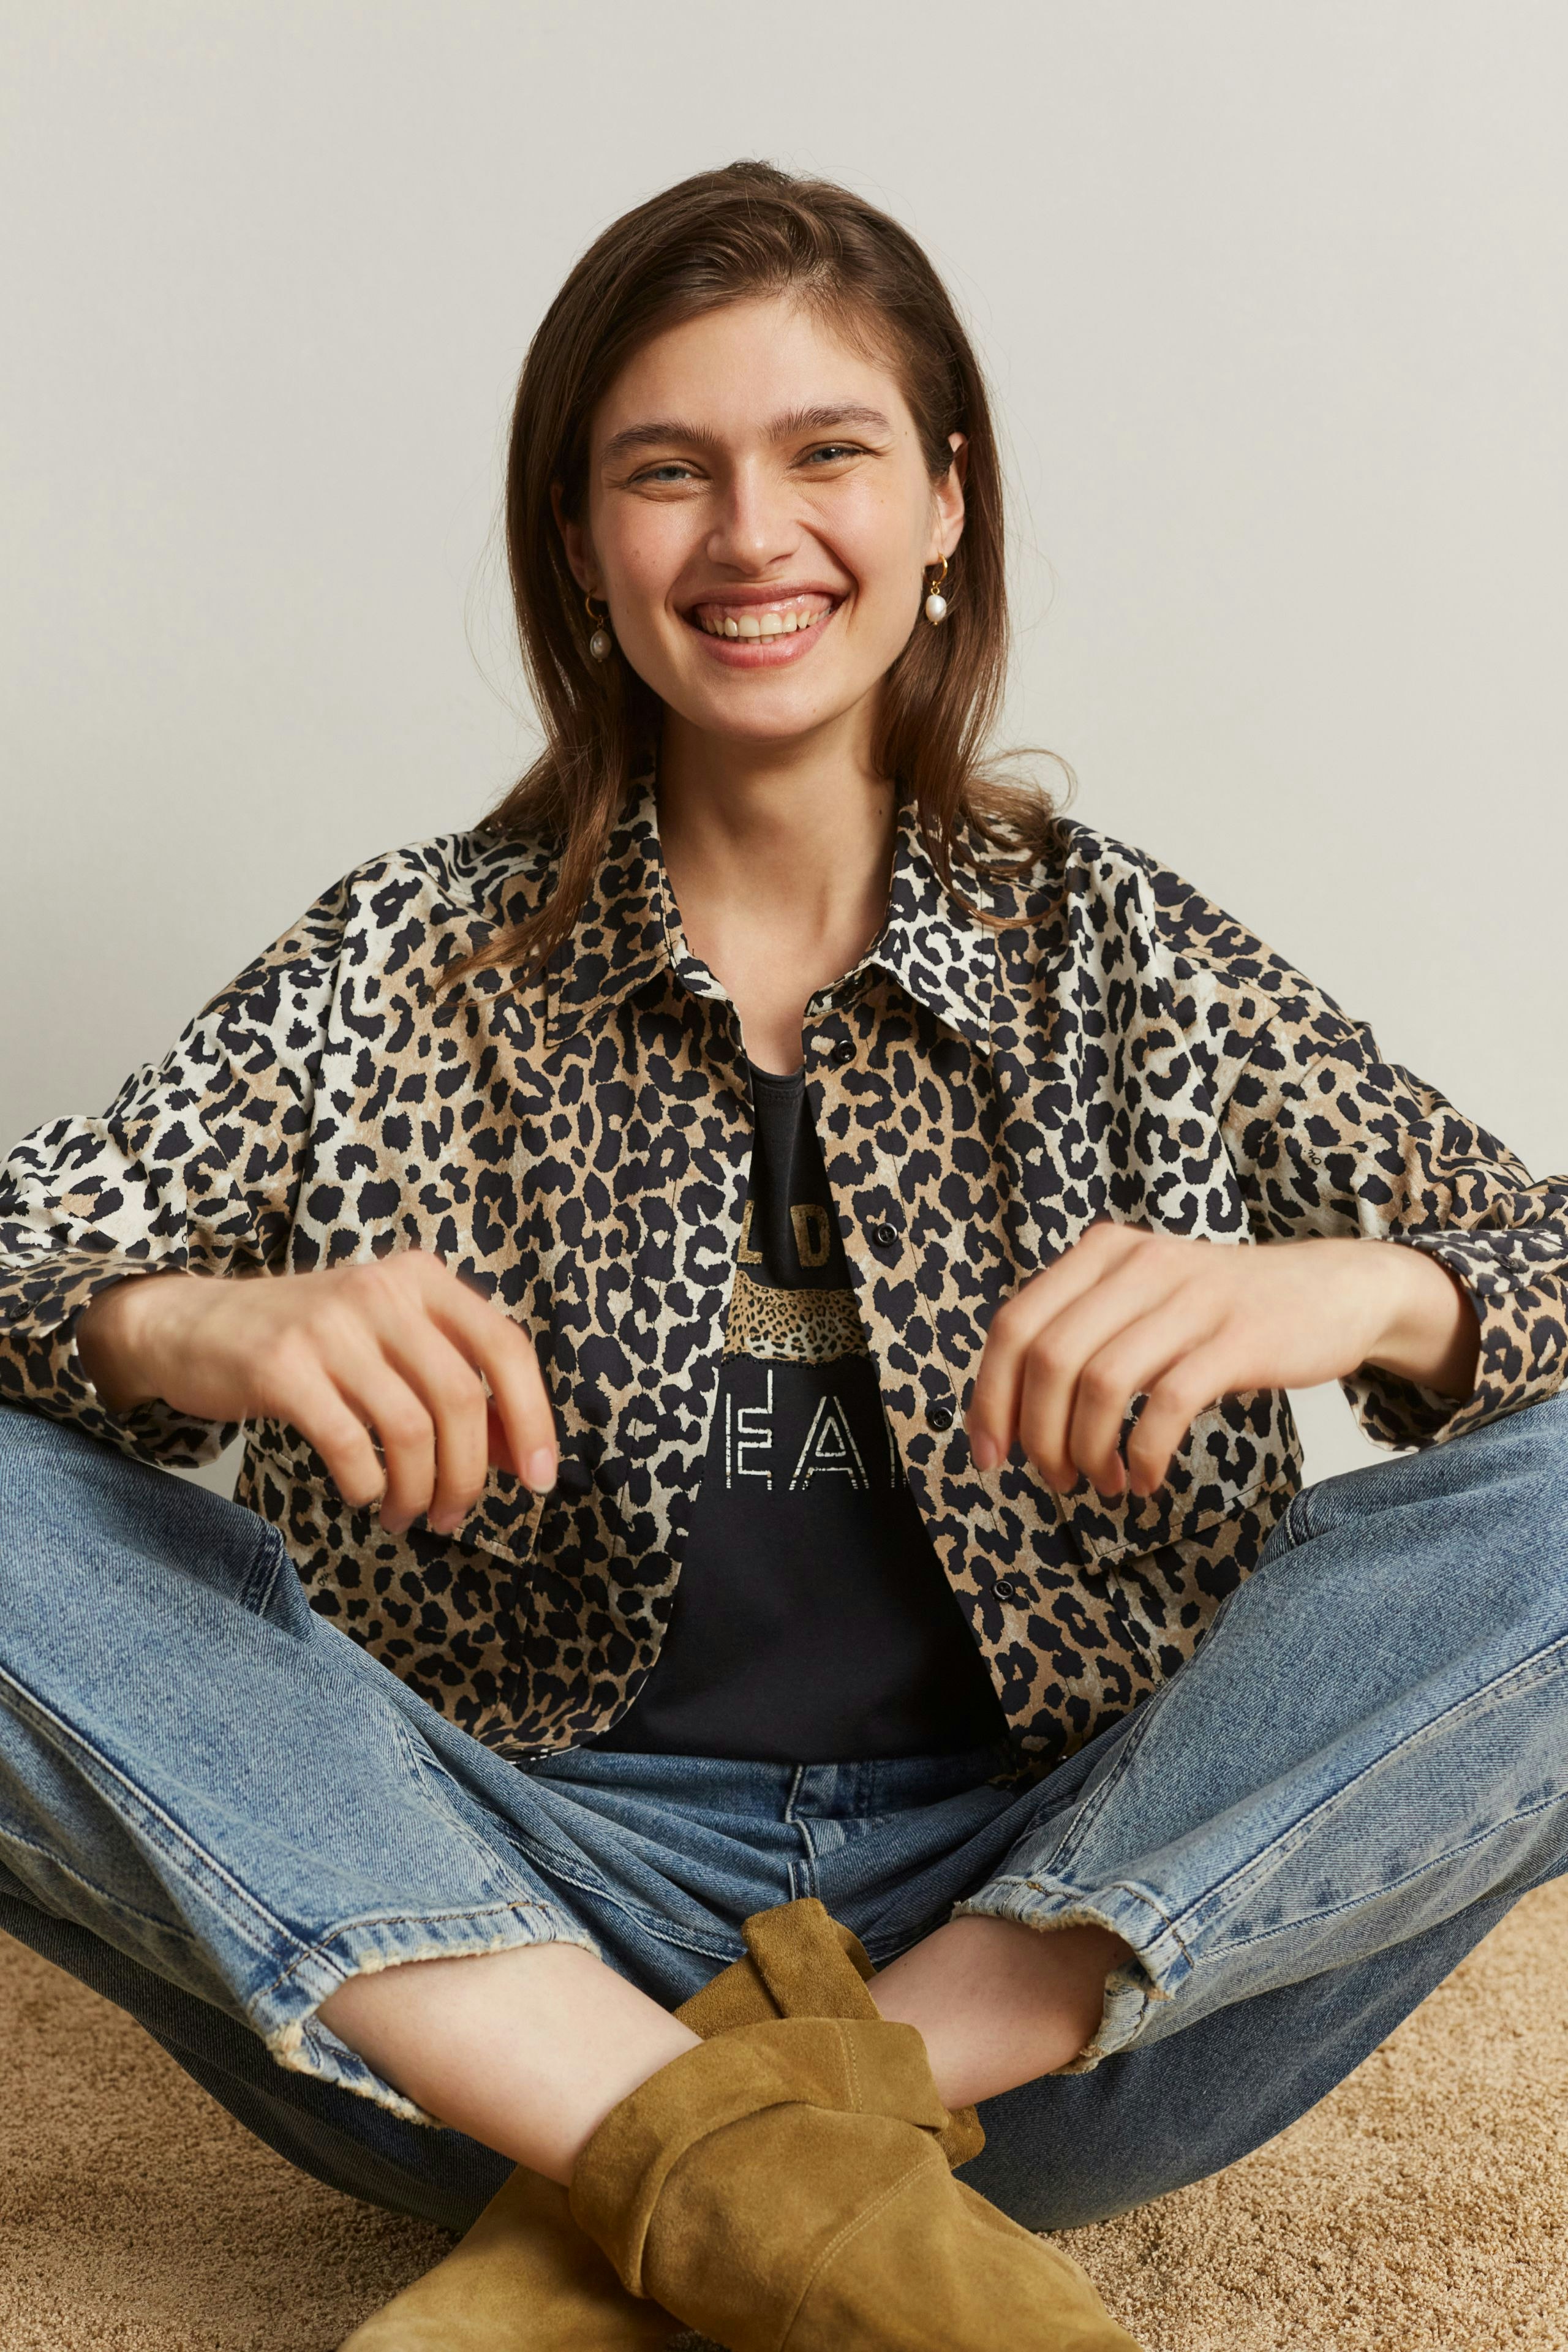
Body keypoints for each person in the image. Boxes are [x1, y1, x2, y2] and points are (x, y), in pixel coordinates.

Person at [0, 158, 1564, 2352]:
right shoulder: (401, 961)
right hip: (488, 1928)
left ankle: (719, 2152)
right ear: (581, 543)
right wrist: (183, 1320)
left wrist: (1382, 1292)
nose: (752, 537)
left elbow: (1541, 1252)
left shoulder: (1117, 952)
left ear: (943, 505)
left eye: (825, 454)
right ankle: (763, 2172)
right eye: (669, 471)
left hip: (1056, 1940)